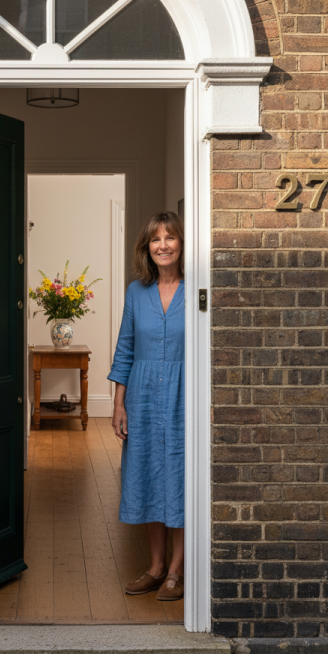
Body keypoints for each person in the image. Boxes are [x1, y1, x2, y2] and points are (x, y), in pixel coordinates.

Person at [108, 211, 185, 601]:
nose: (163, 245)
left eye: (170, 238)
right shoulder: (136, 292)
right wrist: (119, 404)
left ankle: (177, 569)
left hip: (183, 395)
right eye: (156, 239)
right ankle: (155, 568)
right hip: (142, 396)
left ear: (182, 244)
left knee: (179, 476)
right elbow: (125, 348)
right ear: (147, 248)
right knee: (148, 476)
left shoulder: (198, 288)